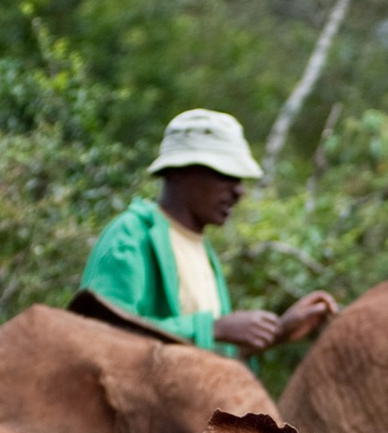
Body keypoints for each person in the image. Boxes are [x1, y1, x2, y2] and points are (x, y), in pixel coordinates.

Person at [80, 108, 337, 358]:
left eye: (240, 180)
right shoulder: (131, 236)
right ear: (179, 171)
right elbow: (100, 336)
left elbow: (205, 360)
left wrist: (278, 332)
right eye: (225, 175)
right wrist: (214, 328)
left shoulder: (202, 250)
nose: (239, 192)